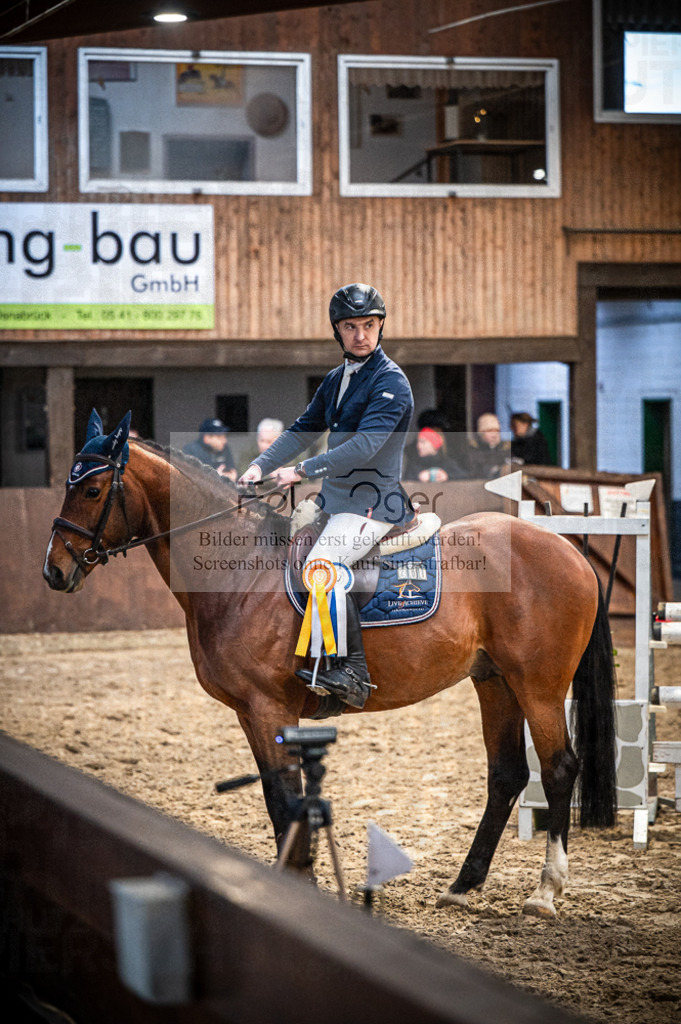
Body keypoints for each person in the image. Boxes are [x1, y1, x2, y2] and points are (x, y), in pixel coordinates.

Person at [238, 283, 414, 710]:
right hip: (335, 500)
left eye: (368, 325)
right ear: (338, 332)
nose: (360, 335)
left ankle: (352, 670)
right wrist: (259, 465)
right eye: (351, 326)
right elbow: (304, 429)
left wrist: (300, 470)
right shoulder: (337, 379)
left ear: (380, 327)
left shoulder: (391, 383)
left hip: (374, 503)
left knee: (323, 565)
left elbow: (363, 447)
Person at [463, 412, 511, 479]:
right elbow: (472, 473)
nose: (494, 435)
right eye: (490, 431)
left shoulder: (505, 449)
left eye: (497, 431)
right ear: (481, 433)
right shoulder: (472, 451)